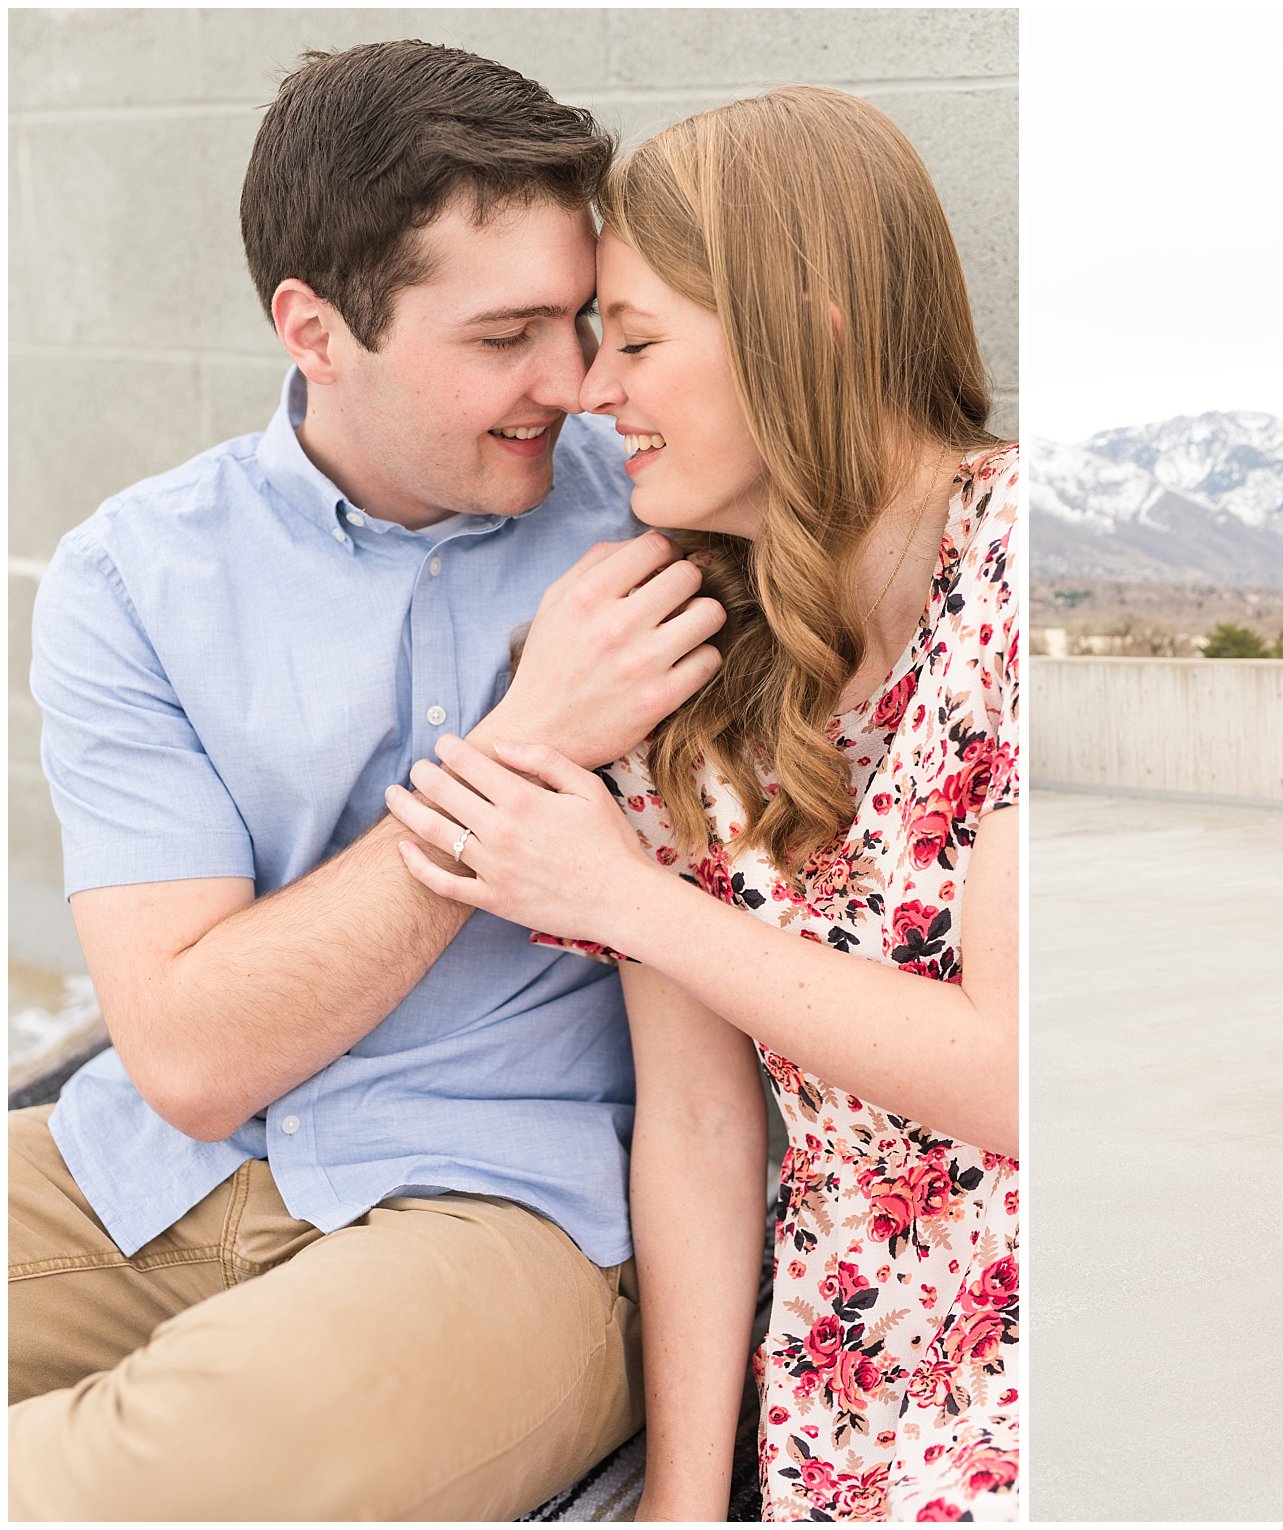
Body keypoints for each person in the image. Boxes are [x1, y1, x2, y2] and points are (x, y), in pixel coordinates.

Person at [12, 41, 727, 1519]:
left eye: (584, 321)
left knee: (127, 1489)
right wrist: (526, 741)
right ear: (315, 328)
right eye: (506, 335)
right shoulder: (132, 579)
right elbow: (195, 1056)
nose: (576, 382)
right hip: (148, 1170)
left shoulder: (662, 535)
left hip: (505, 1207)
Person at [383, 86, 1021, 1521]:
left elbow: (1012, 1073)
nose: (591, 392)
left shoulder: (1016, 578)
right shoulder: (678, 659)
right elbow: (695, 1125)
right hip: (847, 1371)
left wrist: (622, 896)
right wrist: (682, 1498)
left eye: (638, 340)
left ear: (811, 328)